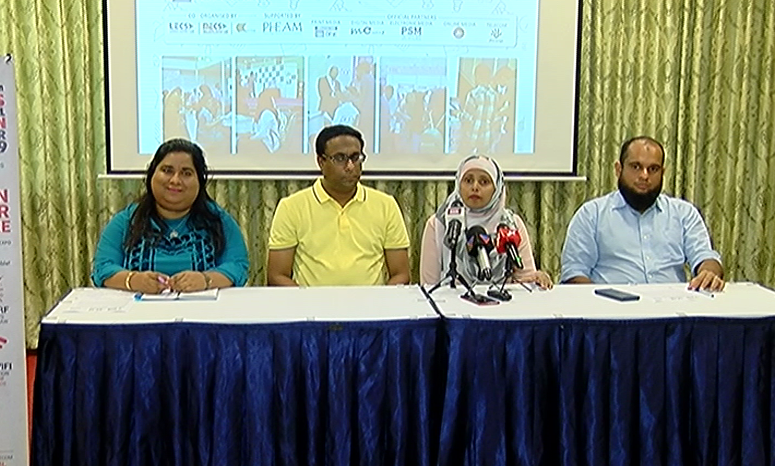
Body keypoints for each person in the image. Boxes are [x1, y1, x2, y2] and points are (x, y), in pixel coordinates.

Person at [560, 135, 724, 291]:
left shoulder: (684, 214)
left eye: (653, 169)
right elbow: (574, 274)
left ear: (663, 173)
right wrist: (599, 302)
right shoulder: (591, 215)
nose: (644, 176)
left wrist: (708, 274)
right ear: (618, 169)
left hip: (672, 306)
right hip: (611, 307)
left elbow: (705, 256)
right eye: (636, 167)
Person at [92, 138, 249, 293]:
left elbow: (237, 266)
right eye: (167, 171)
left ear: (200, 181)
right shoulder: (127, 220)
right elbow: (103, 268)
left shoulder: (218, 220)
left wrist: (205, 280)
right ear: (152, 175)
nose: (175, 180)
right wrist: (133, 280)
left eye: (186, 173)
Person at [267, 124, 411, 286]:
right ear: (321, 162)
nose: (350, 166)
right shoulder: (291, 207)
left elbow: (401, 274)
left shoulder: (386, 205)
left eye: (355, 157)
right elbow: (277, 276)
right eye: (340, 158)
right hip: (312, 301)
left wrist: (379, 300)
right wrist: (307, 300)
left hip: (371, 301)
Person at [420, 155, 553, 288]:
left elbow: (525, 281)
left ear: (497, 188)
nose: (475, 187)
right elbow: (428, 286)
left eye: (484, 182)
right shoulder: (439, 225)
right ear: (458, 185)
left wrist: (536, 279)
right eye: (468, 180)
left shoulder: (512, 225)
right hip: (449, 300)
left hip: (503, 300)